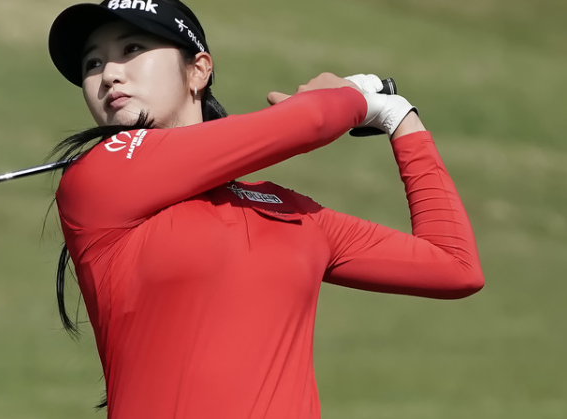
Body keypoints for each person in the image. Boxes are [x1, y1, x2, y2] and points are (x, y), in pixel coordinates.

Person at [46, 0, 485, 417]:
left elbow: (455, 266)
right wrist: (356, 98)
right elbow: (311, 121)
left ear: (198, 70)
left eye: (132, 49)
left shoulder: (286, 209)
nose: (109, 75)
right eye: (93, 63)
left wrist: (401, 119)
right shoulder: (98, 176)